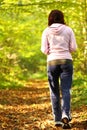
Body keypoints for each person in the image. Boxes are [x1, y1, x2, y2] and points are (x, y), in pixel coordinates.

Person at [41, 9, 77, 129]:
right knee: (66, 90)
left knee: (54, 91)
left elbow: (44, 50)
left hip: (52, 61)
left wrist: (52, 51)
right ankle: (65, 114)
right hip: (66, 61)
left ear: (50, 18)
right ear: (62, 17)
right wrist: (65, 50)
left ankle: (57, 119)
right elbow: (73, 48)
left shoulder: (46, 31)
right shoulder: (68, 29)